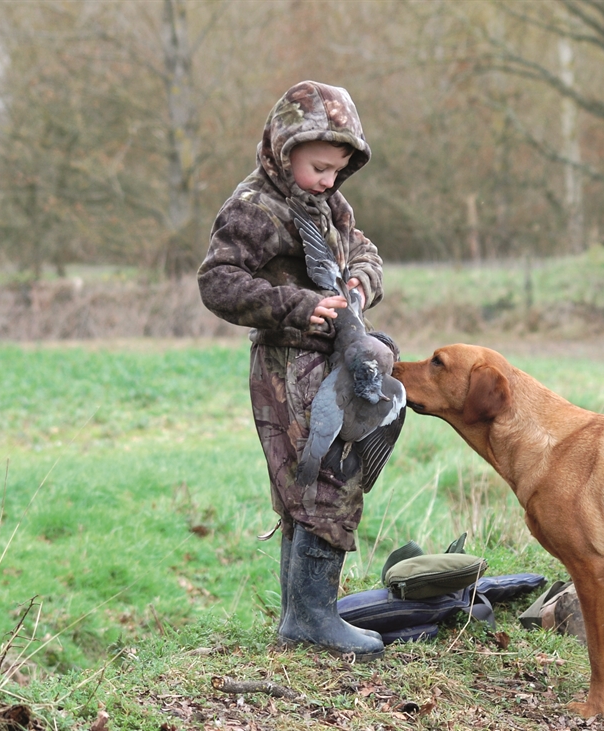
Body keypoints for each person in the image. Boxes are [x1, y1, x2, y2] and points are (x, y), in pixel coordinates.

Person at [198, 81, 386, 660]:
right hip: (285, 362)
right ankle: (309, 616)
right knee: (321, 474)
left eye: (338, 170)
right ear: (284, 149)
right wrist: (299, 306)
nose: (329, 179)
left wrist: (358, 284)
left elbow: (364, 251)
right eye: (319, 167)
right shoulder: (254, 207)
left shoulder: (329, 205)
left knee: (324, 473)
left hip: (329, 360)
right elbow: (217, 281)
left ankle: (303, 613)